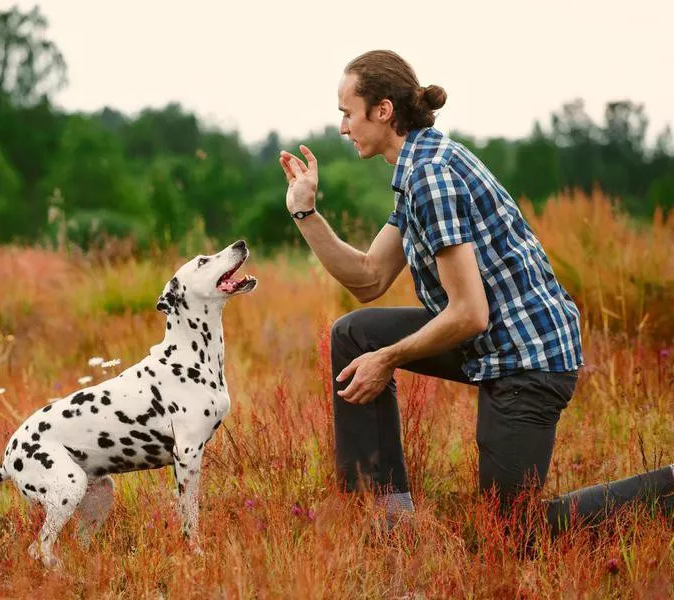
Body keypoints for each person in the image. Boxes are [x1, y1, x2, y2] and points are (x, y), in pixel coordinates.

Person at [278, 49, 674, 533]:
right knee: (355, 335)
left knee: (511, 535)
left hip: (529, 360)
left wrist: (388, 359)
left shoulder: (431, 176)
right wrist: (306, 213)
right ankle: (387, 521)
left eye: (347, 112)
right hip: (491, 343)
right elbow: (368, 279)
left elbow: (469, 314)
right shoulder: (416, 170)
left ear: (382, 110)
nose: (342, 127)